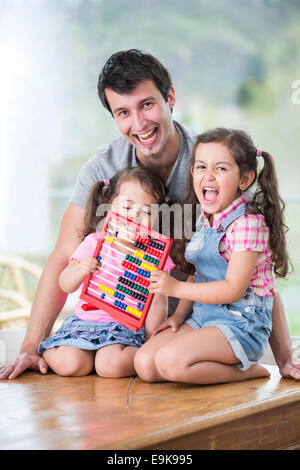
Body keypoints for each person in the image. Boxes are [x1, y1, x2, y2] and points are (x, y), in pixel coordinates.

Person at [0, 49, 299, 380]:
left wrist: (285, 357)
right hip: (126, 333)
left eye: (147, 104)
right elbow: (63, 256)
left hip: (189, 326)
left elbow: (256, 267)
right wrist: (30, 346)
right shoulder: (102, 168)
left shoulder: (210, 165)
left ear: (170, 97)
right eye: (123, 112)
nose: (139, 123)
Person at [134, 128, 293, 384]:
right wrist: (178, 316)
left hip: (240, 326)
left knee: (170, 362)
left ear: (245, 179)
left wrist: (174, 288)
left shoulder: (247, 224)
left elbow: (232, 289)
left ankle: (248, 371)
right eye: (201, 167)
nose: (208, 176)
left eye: (220, 168)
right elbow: (198, 275)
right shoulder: (203, 217)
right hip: (204, 318)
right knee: (145, 364)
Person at [38, 167, 174, 377]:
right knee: (70, 365)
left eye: (146, 211)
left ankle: (116, 359)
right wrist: (80, 269)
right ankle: (47, 352)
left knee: (110, 365)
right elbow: (65, 284)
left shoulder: (156, 256)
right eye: (127, 207)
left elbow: (158, 302)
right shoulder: (93, 243)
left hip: (124, 330)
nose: (135, 217)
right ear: (110, 208)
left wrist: (150, 340)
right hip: (85, 324)